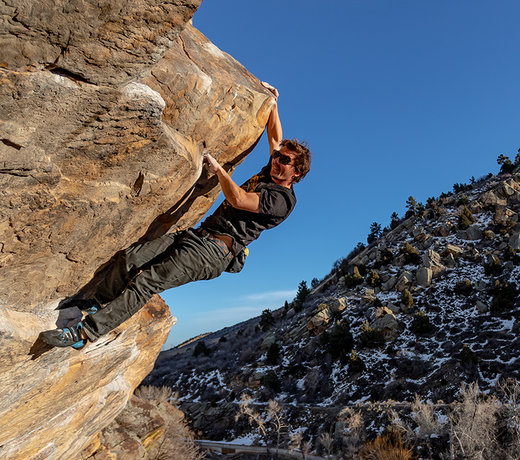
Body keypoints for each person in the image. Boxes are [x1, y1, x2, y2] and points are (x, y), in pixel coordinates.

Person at [40, 82, 311, 350]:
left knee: (147, 281)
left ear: (296, 172)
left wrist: (219, 171)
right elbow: (275, 137)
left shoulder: (282, 200)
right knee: (131, 257)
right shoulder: (272, 170)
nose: (277, 161)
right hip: (197, 237)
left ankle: (84, 334)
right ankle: (98, 302)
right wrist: (273, 101)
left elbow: (238, 199)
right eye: (278, 158)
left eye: (285, 161)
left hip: (213, 252)